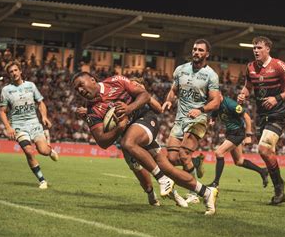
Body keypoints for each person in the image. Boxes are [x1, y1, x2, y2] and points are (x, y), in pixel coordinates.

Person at [71, 72, 219, 215]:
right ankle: (206, 192)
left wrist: (129, 109)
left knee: (127, 143)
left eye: (81, 85)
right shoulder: (91, 111)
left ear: (92, 79)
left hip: (146, 119)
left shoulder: (116, 81)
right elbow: (102, 141)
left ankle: (162, 179)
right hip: (131, 133)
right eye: (77, 89)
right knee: (168, 168)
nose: (80, 90)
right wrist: (119, 128)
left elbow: (145, 95)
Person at [237, 36, 285, 205]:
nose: (255, 50)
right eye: (254, 48)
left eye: (259, 48)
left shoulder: (278, 65)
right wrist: (243, 94)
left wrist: (276, 98)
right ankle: (279, 186)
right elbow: (248, 87)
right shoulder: (250, 67)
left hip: (277, 115)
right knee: (268, 153)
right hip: (261, 117)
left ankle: (278, 186)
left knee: (263, 150)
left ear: (268, 49)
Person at [162, 38, 221, 204]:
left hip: (199, 119)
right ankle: (195, 163)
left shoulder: (211, 75)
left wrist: (200, 110)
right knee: (172, 158)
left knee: (183, 153)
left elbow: (215, 102)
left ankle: (194, 193)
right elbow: (173, 90)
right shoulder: (180, 69)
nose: (196, 52)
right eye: (195, 49)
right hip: (180, 120)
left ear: (207, 54)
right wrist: (168, 101)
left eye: (201, 50)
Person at [0, 61, 59, 189]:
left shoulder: (31, 86)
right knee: (28, 151)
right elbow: (2, 111)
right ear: (8, 75)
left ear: (20, 71)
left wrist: (44, 116)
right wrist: (8, 127)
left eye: (15, 70)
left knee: (43, 150)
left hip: (34, 123)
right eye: (11, 72)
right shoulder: (6, 90)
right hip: (18, 126)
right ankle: (42, 180)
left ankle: (50, 151)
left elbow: (40, 102)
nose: (14, 73)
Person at [209, 91, 268, 189]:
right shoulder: (216, 104)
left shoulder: (231, 104)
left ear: (220, 94)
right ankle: (263, 171)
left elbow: (247, 118)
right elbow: (214, 114)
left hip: (237, 133)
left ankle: (215, 183)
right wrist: (212, 120)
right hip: (230, 133)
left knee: (219, 152)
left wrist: (248, 135)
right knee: (239, 161)